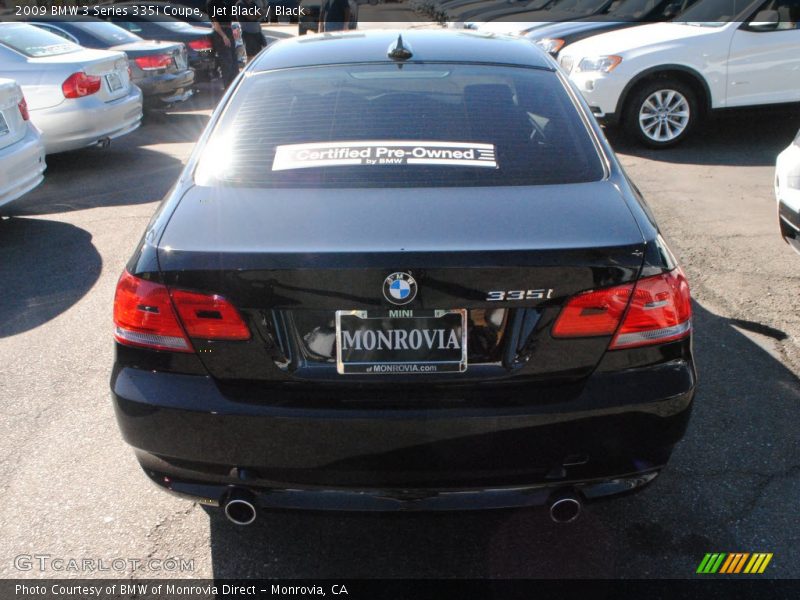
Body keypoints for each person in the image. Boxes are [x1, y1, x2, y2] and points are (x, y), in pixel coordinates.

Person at [205, 0, 239, 88]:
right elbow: (215, 23)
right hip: (220, 33)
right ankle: (228, 87)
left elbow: (230, 19)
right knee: (226, 61)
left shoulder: (224, 2)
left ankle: (236, 86)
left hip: (228, 30)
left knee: (234, 60)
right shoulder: (211, 3)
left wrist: (233, 31)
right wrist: (224, 36)